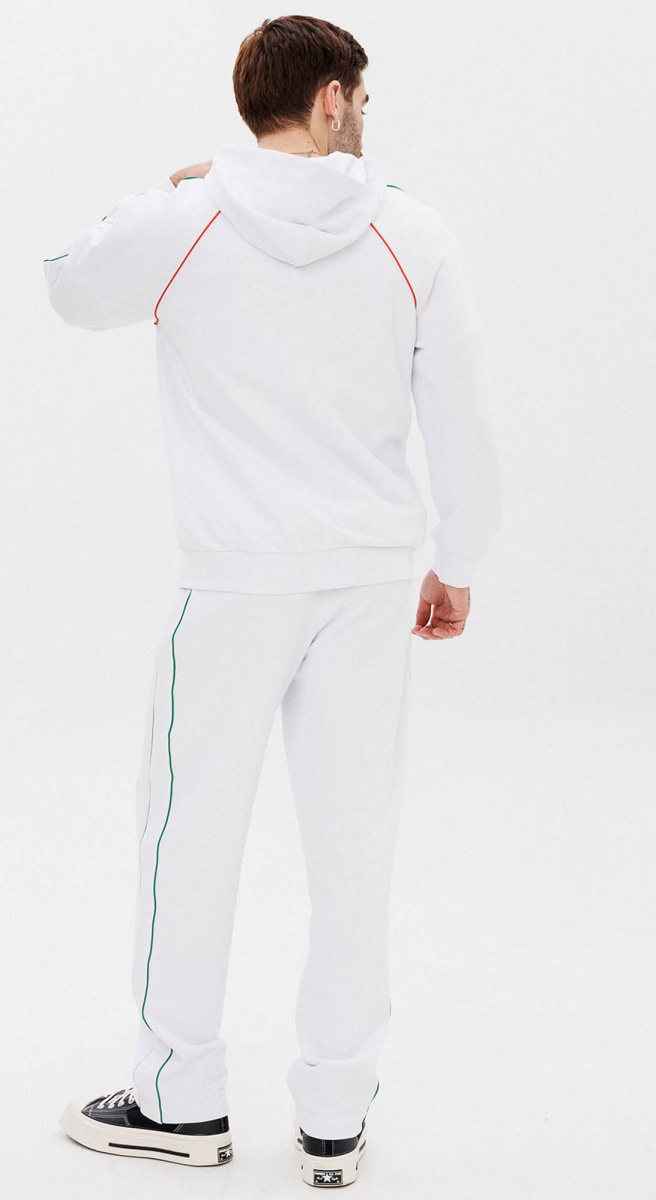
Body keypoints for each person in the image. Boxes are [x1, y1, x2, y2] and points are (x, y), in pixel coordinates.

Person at [43, 13, 502, 1189]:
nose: (365, 117)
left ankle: (178, 1099)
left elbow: (68, 286)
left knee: (186, 834)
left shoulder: (186, 219)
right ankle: (334, 1120)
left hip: (235, 579)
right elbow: (458, 412)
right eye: (362, 98)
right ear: (330, 97)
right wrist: (455, 558)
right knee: (353, 844)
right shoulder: (411, 230)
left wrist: (171, 191)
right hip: (365, 578)